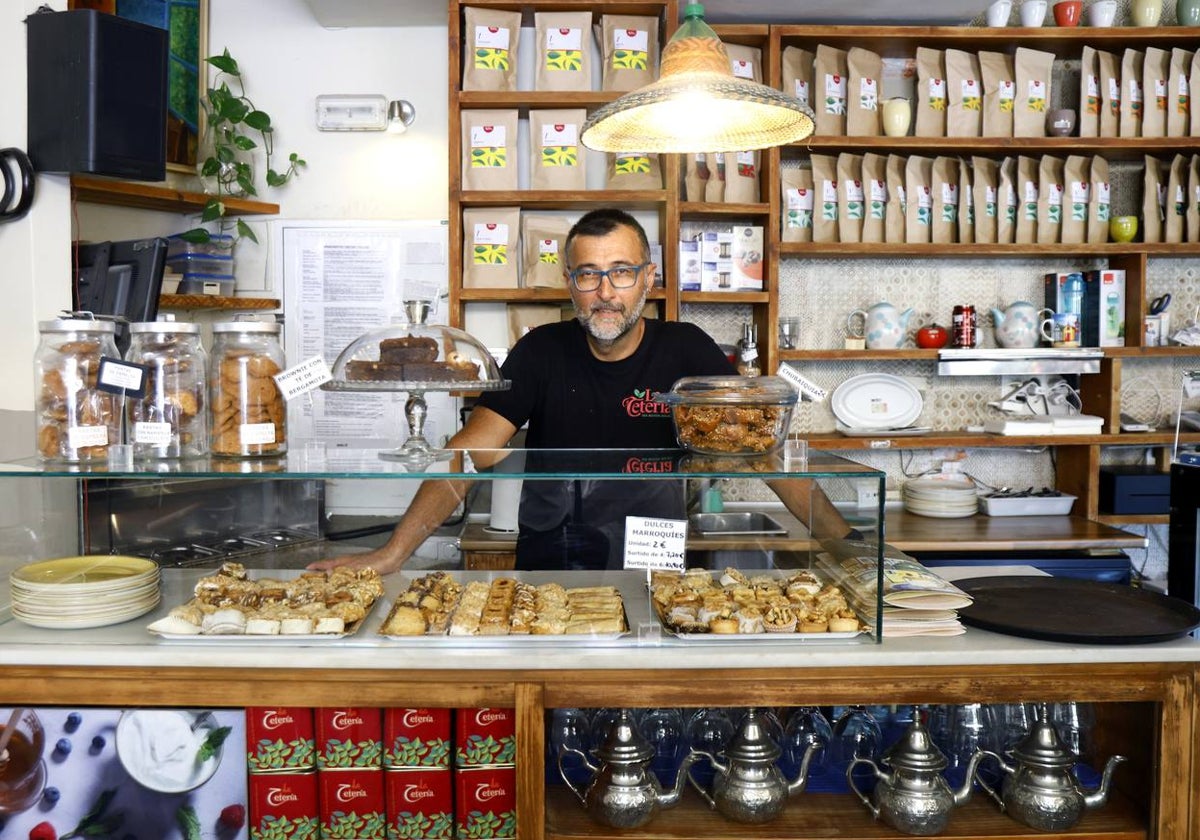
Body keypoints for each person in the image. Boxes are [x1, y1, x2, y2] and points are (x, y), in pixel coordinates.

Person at [310, 208, 852, 574]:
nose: (605, 293)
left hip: (652, 547)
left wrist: (845, 546)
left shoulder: (686, 350)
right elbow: (470, 455)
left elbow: (760, 451)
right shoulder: (542, 350)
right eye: (589, 275)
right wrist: (393, 553)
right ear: (570, 282)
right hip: (553, 546)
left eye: (621, 273)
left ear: (648, 277)